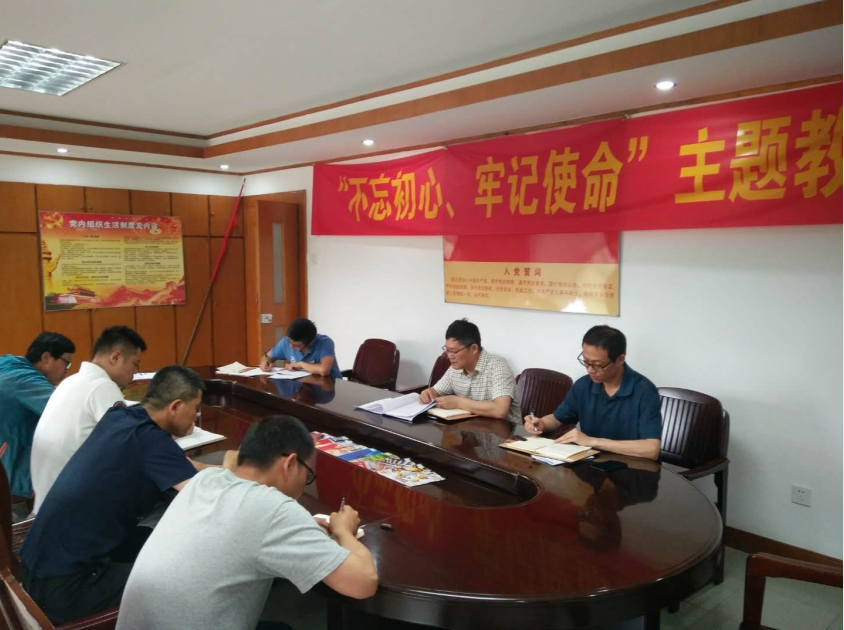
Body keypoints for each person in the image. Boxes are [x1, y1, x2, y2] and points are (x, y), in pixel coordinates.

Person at [116, 415, 378, 630]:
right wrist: (343, 531)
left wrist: (301, 528)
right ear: (290, 463)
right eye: (308, 475)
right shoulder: (274, 509)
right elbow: (364, 582)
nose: (304, 484)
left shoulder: (205, 480)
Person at [19, 366, 232, 625]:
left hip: (34, 567)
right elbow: (205, 496)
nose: (196, 416)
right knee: (187, 574)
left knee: (155, 539)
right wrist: (242, 474)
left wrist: (225, 468)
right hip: (66, 589)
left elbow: (184, 464)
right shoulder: (150, 441)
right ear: (175, 406)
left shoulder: (120, 417)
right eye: (195, 408)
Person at [31, 325, 147, 513]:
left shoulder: (71, 381)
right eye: (135, 363)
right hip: (70, 509)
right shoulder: (102, 386)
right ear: (116, 357)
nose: (136, 371)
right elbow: (130, 443)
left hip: (47, 502)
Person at [524, 326, 662, 461]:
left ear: (620, 359)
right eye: (586, 362)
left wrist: (592, 441)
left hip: (632, 467)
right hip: (591, 464)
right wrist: (542, 423)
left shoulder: (644, 391)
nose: (590, 370)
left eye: (597, 364)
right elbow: (557, 419)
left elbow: (651, 449)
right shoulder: (584, 385)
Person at [0, 332, 75, 510]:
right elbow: (69, 410)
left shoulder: (8, 367)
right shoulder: (24, 380)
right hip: (13, 480)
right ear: (46, 357)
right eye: (66, 362)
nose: (67, 370)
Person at [419, 319, 521, 423]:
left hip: (504, 430)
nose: (449, 356)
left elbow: (500, 410)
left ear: (474, 348)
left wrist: (458, 403)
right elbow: (436, 391)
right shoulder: (455, 368)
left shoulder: (498, 366)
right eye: (447, 350)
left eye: (454, 351)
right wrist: (429, 393)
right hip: (470, 428)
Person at [259, 317, 342, 379]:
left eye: (297, 345)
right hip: (302, 386)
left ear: (311, 342)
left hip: (330, 388)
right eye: (289, 342)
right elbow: (268, 356)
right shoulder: (285, 342)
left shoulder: (324, 342)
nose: (291, 346)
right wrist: (265, 362)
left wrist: (301, 364)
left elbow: (324, 370)